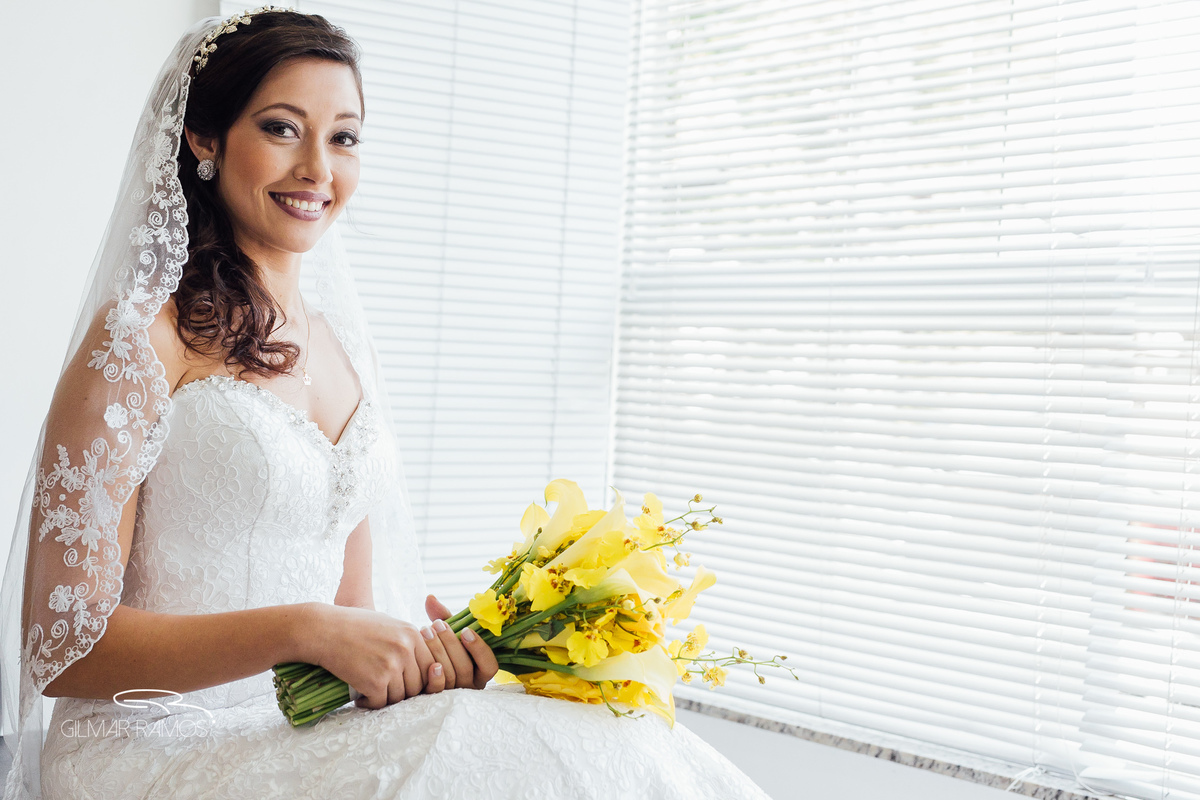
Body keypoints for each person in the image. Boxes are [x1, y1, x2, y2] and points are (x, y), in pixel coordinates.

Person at [0, 8, 773, 799]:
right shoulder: (140, 339)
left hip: (285, 730)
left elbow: (352, 621)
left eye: (343, 138)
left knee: (601, 737)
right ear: (204, 138)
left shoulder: (345, 352)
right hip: (143, 752)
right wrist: (303, 629)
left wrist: (417, 662)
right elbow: (62, 647)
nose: (316, 168)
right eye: (280, 128)